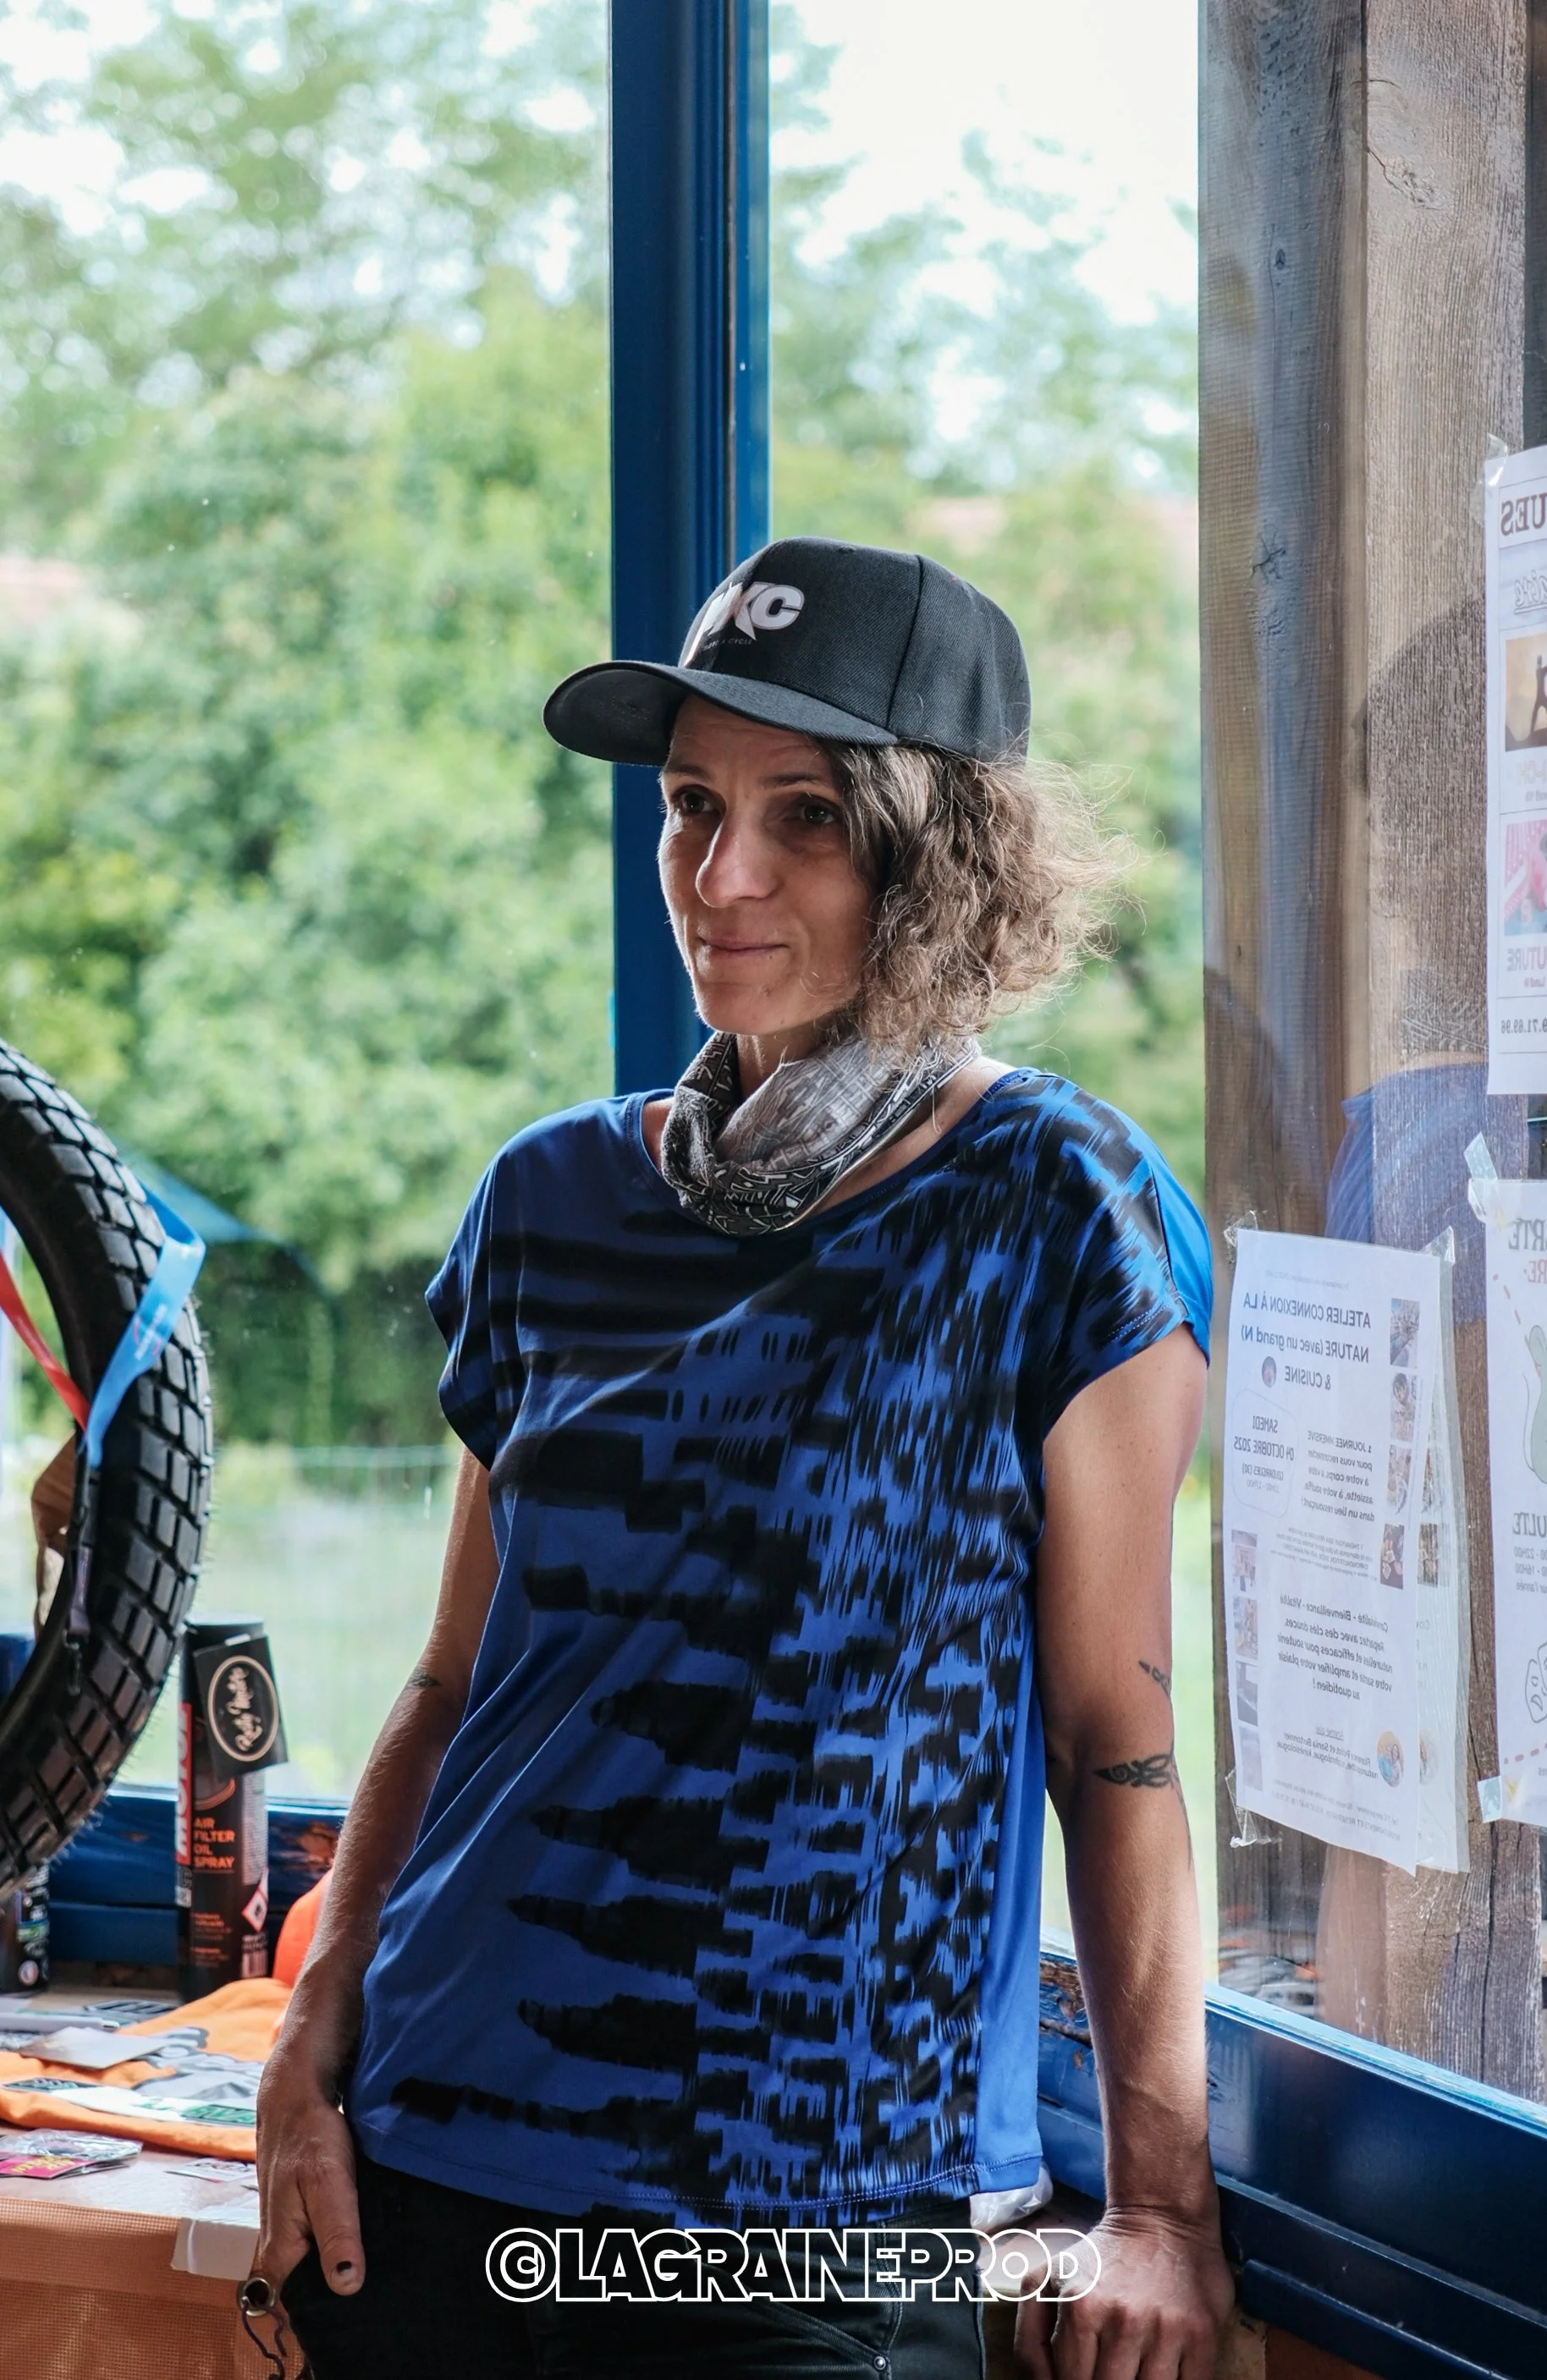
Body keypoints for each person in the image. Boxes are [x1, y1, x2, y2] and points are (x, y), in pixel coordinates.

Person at [258, 536, 1232, 2378]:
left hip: (817, 2229)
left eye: (801, 817)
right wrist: (310, 2039)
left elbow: (1117, 1743)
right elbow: (454, 1681)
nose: (719, 876)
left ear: (936, 857)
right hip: (435, 2183)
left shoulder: (1054, 1206)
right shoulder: (549, 1195)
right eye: (692, 806)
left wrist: (1160, 2209)